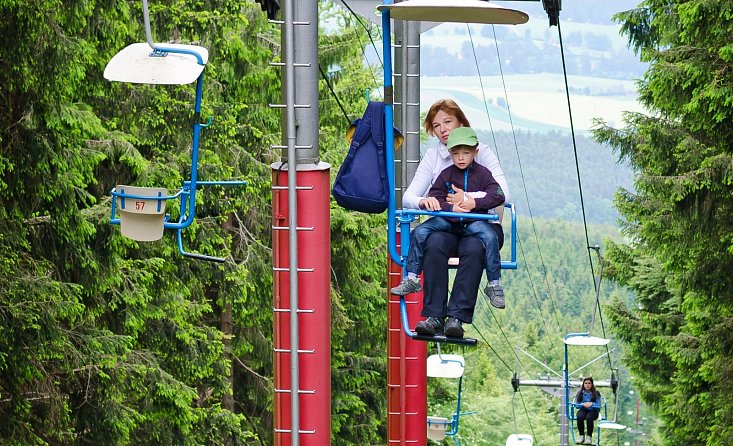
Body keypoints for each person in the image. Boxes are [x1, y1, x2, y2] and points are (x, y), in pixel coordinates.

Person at [390, 99, 510, 338]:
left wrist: (468, 199)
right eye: (436, 125)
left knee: (475, 248)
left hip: (480, 224)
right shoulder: (435, 159)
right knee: (433, 244)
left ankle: (456, 317)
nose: (443, 129)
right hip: (448, 225)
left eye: (448, 122)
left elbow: (502, 193)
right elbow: (410, 197)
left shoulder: (481, 153)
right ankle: (434, 317)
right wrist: (426, 202)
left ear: (461, 122)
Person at [574, 377, 602, 445]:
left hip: (593, 411)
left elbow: (598, 405)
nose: (587, 385)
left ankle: (589, 436)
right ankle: (581, 435)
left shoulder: (596, 393)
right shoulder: (580, 393)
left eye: (589, 383)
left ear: (592, 385)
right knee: (579, 416)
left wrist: (591, 404)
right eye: (586, 383)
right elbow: (576, 405)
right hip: (583, 410)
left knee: (589, 418)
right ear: (583, 384)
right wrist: (583, 404)